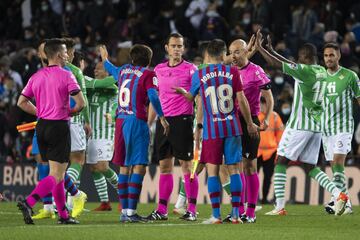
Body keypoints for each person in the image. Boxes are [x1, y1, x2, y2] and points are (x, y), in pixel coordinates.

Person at [255, 32, 348, 216]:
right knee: (309, 167)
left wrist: (260, 49)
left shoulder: (304, 71)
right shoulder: (321, 71)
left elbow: (277, 65)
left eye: (299, 58)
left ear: (304, 58)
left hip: (299, 125)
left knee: (280, 160)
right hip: (316, 128)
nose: (296, 61)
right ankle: (339, 194)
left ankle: (279, 206)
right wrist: (272, 50)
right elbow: (288, 64)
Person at [174, 39, 259, 224]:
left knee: (212, 172)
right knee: (235, 170)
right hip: (233, 127)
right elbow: (242, 100)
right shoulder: (233, 71)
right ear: (223, 55)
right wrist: (250, 123)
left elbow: (192, 98)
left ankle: (216, 215)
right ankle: (236, 213)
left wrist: (183, 93)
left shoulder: (200, 73)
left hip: (212, 130)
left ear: (207, 55)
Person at [16, 38, 85, 224]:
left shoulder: (36, 76)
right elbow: (81, 103)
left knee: (58, 174)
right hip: (59, 126)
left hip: (42, 126)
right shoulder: (66, 75)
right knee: (56, 174)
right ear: (58, 54)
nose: (66, 55)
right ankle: (29, 202)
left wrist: (39, 111)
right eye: (64, 52)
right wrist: (69, 111)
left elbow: (21, 102)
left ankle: (63, 215)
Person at [99, 44, 169, 223]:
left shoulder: (123, 71)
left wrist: (105, 60)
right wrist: (161, 117)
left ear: (132, 58)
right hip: (136, 121)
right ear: (149, 60)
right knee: (139, 166)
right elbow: (153, 97)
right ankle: (130, 212)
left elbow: (112, 70)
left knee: (124, 166)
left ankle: (124, 212)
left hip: (120, 121)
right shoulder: (148, 75)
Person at [146, 33, 199, 221]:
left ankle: (191, 209)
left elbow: (195, 97)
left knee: (186, 166)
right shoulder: (158, 69)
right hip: (163, 121)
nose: (177, 49)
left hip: (183, 120)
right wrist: (150, 122)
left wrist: (186, 94)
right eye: (174, 46)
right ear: (167, 48)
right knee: (165, 167)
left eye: (180, 46)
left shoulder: (191, 69)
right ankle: (162, 210)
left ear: (183, 49)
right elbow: (155, 99)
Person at [225, 37, 274, 223]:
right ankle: (237, 210)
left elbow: (269, 98)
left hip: (249, 122)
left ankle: (251, 212)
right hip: (230, 121)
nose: (233, 55)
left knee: (249, 166)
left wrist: (267, 118)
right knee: (233, 167)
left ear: (246, 51)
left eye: (237, 51)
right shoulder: (228, 71)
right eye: (231, 52)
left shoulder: (256, 71)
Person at [321, 42, 360, 215]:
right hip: (326, 128)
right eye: (326, 56)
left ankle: (342, 201)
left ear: (339, 56)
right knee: (334, 166)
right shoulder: (320, 76)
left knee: (337, 162)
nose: (328, 58)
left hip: (343, 127)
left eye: (331, 55)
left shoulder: (350, 76)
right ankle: (343, 199)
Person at [81, 57, 119, 211]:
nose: (95, 70)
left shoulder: (113, 89)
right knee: (93, 167)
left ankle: (123, 195)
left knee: (103, 166)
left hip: (106, 131)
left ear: (108, 72)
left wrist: (112, 114)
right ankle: (105, 202)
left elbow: (117, 105)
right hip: (91, 133)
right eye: (95, 68)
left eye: (99, 68)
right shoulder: (91, 86)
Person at [63, 38, 92, 204]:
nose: (73, 55)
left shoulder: (48, 70)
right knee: (78, 159)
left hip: (55, 119)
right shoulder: (75, 71)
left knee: (60, 164)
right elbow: (83, 98)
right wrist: (87, 121)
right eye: (72, 52)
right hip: (74, 118)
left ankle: (56, 201)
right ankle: (71, 198)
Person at [257, 97, 284, 204]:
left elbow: (280, 134)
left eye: (264, 104)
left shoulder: (274, 116)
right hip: (257, 151)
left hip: (271, 151)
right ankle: (254, 198)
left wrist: (279, 150)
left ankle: (264, 199)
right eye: (261, 104)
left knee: (268, 177)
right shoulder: (256, 116)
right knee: (253, 176)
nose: (262, 107)